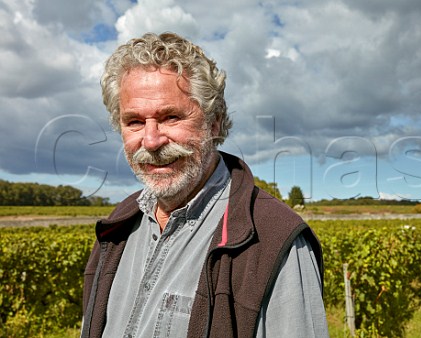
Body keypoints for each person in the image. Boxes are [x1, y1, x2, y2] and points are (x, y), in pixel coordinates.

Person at [81, 32, 329, 338]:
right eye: (134, 122)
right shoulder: (117, 228)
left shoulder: (273, 240)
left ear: (213, 123)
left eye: (171, 117)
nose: (151, 140)